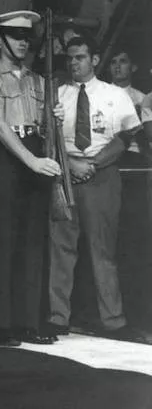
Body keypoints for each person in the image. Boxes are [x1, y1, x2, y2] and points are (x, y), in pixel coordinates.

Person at [48, 35, 142, 341]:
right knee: (61, 248)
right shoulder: (57, 94)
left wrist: (94, 164)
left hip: (101, 176)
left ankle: (113, 320)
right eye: (71, 58)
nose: (75, 63)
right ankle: (57, 317)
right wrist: (72, 164)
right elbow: (50, 137)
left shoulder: (115, 95)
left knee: (103, 250)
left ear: (95, 60)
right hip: (65, 173)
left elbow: (126, 137)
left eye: (81, 57)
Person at [0, 11, 61, 347]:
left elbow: (44, 124)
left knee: (32, 240)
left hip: (36, 151)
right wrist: (31, 161)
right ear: (0, 40)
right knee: (4, 240)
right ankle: (3, 323)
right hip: (8, 157)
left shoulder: (37, 80)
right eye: (15, 36)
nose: (23, 42)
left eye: (26, 37)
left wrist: (55, 118)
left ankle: (29, 320)